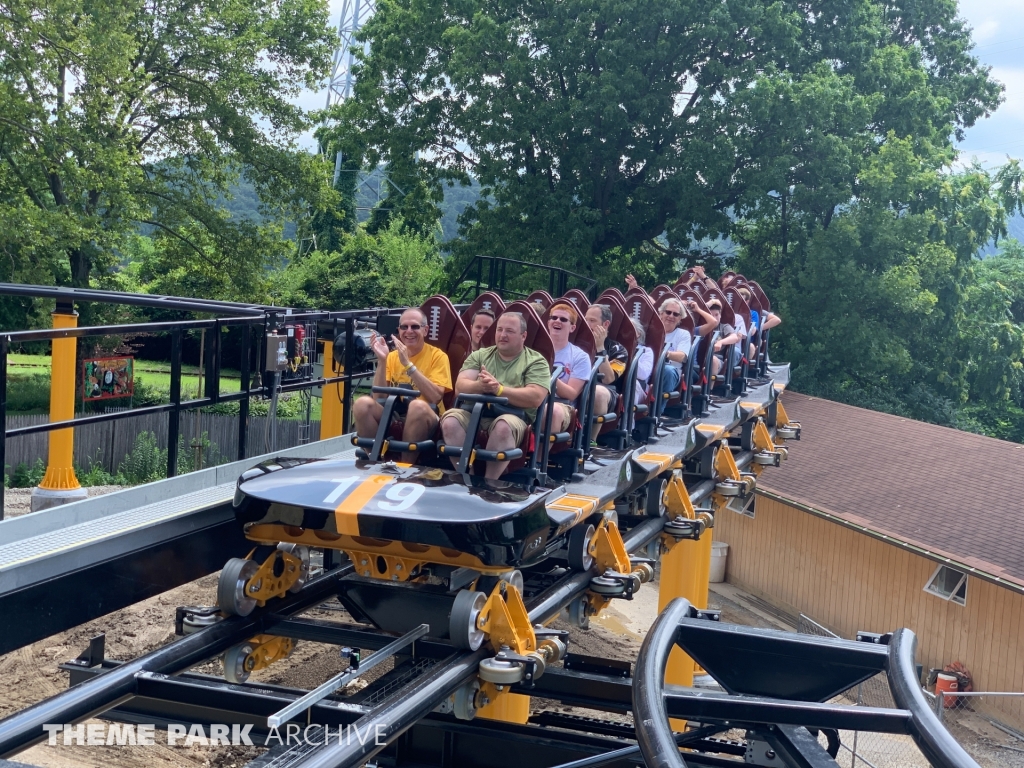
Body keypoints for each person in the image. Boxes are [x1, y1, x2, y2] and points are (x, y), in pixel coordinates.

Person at [440, 312, 550, 479]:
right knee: (450, 421)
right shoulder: (480, 355)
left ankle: (489, 481)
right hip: (474, 412)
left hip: (515, 416)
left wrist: (498, 389)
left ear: (523, 335)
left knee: (503, 427)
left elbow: (535, 397)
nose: (503, 335)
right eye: (499, 330)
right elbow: (460, 387)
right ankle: (465, 478)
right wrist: (480, 385)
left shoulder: (536, 361)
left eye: (510, 331)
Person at [353, 308, 452, 463]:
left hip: (426, 417)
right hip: (394, 413)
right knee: (362, 404)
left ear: (425, 330)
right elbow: (379, 397)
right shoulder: (391, 357)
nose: (409, 331)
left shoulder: (438, 356)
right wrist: (382, 361)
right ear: (398, 330)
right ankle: (375, 460)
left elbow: (435, 397)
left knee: (417, 406)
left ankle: (405, 466)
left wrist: (407, 364)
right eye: (404, 327)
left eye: (415, 327)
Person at [584, 303, 629, 440]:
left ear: (605, 324)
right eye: (585, 320)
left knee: (598, 392)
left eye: (592, 321)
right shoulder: (574, 343)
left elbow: (608, 378)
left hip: (606, 391)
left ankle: (590, 440)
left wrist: (600, 348)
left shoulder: (618, 350)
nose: (587, 324)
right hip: (576, 384)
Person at [545, 302, 590, 436]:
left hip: (562, 405)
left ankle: (541, 457)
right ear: (548, 323)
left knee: (551, 411)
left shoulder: (580, 356)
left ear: (572, 328)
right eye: (554, 318)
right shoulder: (535, 350)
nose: (557, 321)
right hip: (534, 398)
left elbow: (571, 394)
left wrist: (545, 374)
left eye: (563, 319)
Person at [654, 297, 693, 416]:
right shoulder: (651, 331)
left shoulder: (683, 334)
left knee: (667, 370)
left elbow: (682, 356)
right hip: (650, 368)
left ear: (680, 318)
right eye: (668, 312)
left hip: (671, 371)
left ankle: (656, 413)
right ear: (661, 313)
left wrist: (664, 354)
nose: (671, 316)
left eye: (676, 314)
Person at [705, 298, 743, 376]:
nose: (715, 318)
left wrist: (721, 342)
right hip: (701, 357)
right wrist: (710, 302)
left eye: (716, 315)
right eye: (711, 315)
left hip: (717, 359)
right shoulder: (702, 327)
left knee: (713, 360)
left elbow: (734, 337)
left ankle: (710, 388)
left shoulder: (724, 327)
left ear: (720, 315)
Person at [629, 317, 655, 408]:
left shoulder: (646, 351)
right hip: (619, 386)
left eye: (631, 329)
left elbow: (643, 374)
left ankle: (628, 422)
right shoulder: (614, 348)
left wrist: (629, 352)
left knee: (633, 383)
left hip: (640, 390)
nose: (627, 332)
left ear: (638, 334)